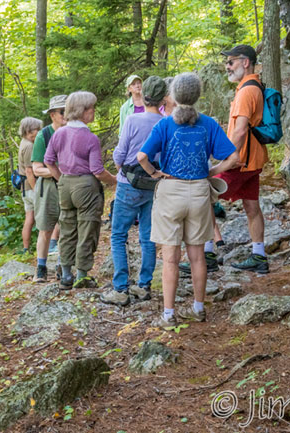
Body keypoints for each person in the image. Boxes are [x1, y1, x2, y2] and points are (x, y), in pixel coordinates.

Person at [137, 72, 241, 329]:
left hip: (171, 191)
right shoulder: (208, 124)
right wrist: (212, 172)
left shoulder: (163, 125)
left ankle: (169, 314)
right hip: (198, 192)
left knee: (171, 258)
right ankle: (198, 307)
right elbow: (233, 157)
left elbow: (141, 156)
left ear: (172, 95)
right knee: (197, 256)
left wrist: (154, 173)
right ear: (197, 95)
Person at [100, 76, 166, 306]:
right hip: (153, 183)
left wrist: (120, 169)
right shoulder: (165, 122)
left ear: (144, 94)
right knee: (148, 235)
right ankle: (144, 285)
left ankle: (120, 288)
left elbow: (120, 153)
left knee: (118, 235)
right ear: (163, 98)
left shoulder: (132, 120)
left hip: (129, 183)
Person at [44, 91, 117, 289]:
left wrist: (61, 179)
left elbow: (48, 161)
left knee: (67, 228)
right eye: (91, 108)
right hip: (86, 185)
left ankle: (66, 274)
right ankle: (82, 274)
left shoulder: (59, 133)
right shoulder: (90, 138)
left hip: (65, 184)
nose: (93, 111)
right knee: (87, 229)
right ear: (82, 111)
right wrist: (114, 181)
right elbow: (97, 170)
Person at [217, 44, 269, 274]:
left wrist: (227, 160)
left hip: (239, 161)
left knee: (201, 196)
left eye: (231, 62)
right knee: (251, 206)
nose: (227, 67)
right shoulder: (254, 86)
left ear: (245, 62)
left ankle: (207, 254)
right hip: (252, 161)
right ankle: (259, 255)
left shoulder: (247, 91)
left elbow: (239, 131)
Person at [31, 95, 67, 282]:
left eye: (69, 110)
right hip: (48, 188)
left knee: (68, 227)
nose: (66, 115)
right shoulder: (43, 135)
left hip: (70, 186)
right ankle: (41, 267)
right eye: (62, 111)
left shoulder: (74, 132)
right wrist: (57, 171)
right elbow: (36, 168)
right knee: (45, 228)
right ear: (53, 114)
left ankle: (63, 265)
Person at [17, 117, 43, 254]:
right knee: (42, 217)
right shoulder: (29, 146)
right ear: (28, 130)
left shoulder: (24, 143)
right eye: (35, 130)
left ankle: (26, 249)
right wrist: (37, 190)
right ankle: (43, 247)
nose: (38, 132)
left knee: (30, 217)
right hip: (30, 187)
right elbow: (29, 170)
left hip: (25, 188)